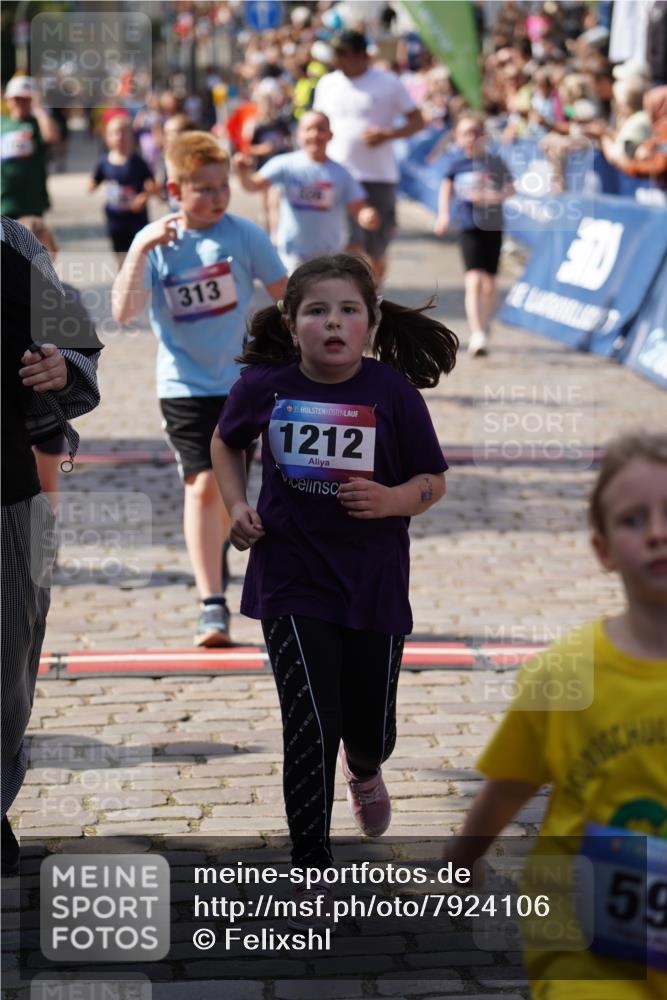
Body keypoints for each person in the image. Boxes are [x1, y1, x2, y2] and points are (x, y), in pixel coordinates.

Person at [211, 254, 458, 920]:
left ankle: (367, 767)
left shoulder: (391, 393)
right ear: (292, 325)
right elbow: (225, 443)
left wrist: (395, 500)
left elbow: (433, 480)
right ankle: (310, 865)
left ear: (371, 323)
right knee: (310, 722)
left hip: (373, 585)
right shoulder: (264, 387)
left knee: (368, 726)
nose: (333, 323)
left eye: (348, 310)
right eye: (317, 311)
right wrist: (235, 506)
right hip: (291, 579)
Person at [444, 432, 667, 999]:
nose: (658, 533)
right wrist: (461, 858)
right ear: (603, 550)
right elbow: (509, 783)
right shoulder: (567, 673)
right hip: (584, 950)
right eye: (634, 520)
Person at [112, 132, 287, 647]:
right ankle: (212, 604)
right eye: (204, 189)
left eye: (222, 187)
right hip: (183, 386)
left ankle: (223, 573)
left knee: (232, 493)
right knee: (204, 484)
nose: (216, 198)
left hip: (240, 386)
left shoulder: (245, 235)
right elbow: (123, 313)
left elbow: (288, 297)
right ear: (174, 188)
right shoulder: (158, 242)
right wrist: (141, 247)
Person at [1, 216, 102, 875]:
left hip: (7, 489)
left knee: (6, 660)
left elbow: (74, 347)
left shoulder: (11, 245)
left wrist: (57, 365)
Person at [313, 30, 424, 283]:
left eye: (345, 53)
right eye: (336, 54)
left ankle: (373, 299)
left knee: (376, 249)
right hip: (337, 175)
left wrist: (389, 134)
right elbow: (317, 123)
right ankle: (349, 302)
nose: (339, 59)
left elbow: (417, 121)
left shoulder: (388, 82)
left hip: (377, 176)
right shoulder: (327, 83)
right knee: (345, 246)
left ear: (363, 55)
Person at [234, 110, 380, 272]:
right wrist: (243, 173)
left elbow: (358, 208)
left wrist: (366, 215)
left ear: (330, 135)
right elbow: (253, 186)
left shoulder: (341, 173)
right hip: (292, 255)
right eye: (308, 129)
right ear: (298, 135)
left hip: (330, 257)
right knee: (295, 296)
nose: (314, 134)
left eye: (320, 129)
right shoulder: (284, 164)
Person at [17, 216, 96, 512]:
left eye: (41, 250)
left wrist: (66, 368)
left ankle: (46, 545)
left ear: (55, 253)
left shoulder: (68, 296)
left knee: (46, 483)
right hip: (16, 408)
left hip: (51, 410)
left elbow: (86, 355)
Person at [434, 113, 514, 358]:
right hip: (468, 226)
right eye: (465, 133)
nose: (471, 138)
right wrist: (443, 215)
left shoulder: (495, 162)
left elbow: (511, 189)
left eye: (475, 133)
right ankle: (477, 332)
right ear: (458, 139)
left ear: (484, 136)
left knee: (489, 284)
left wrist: (492, 197)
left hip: (492, 226)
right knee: (474, 280)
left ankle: (485, 321)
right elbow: (445, 189)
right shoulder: (456, 165)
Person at [89, 115, 157, 268]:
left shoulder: (138, 162)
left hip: (136, 218)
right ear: (107, 138)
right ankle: (123, 279)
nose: (120, 137)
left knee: (138, 253)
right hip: (115, 218)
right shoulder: (104, 161)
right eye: (115, 133)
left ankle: (141, 279)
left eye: (124, 132)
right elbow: (96, 179)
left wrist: (144, 197)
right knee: (120, 253)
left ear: (131, 136)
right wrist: (92, 185)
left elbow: (152, 184)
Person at [0, 76, 60, 219]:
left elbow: (52, 137)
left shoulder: (37, 124)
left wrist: (39, 110)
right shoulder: (2, 124)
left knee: (32, 240)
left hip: (32, 200)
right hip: (5, 199)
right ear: (8, 101)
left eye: (26, 99)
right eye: (16, 99)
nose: (21, 103)